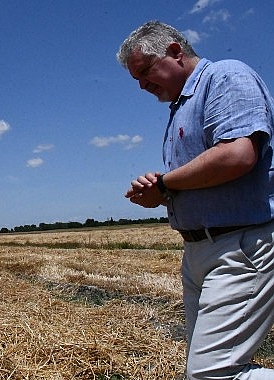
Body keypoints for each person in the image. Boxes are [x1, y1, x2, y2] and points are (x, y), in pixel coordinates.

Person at [117, 21, 274, 379]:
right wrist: (157, 192)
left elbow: (237, 155)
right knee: (203, 369)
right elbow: (200, 179)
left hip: (241, 245)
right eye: (136, 80)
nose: (142, 85)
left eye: (144, 72)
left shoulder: (226, 76)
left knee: (211, 374)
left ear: (174, 52)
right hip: (199, 252)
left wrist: (165, 184)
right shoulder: (179, 108)